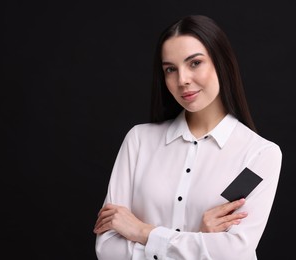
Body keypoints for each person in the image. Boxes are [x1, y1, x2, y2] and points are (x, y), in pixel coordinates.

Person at [93, 14, 282, 260]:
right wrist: (199, 239)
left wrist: (142, 231)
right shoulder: (138, 141)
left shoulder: (259, 155)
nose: (182, 80)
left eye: (194, 63)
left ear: (221, 62)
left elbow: (233, 251)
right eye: (170, 69)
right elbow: (108, 249)